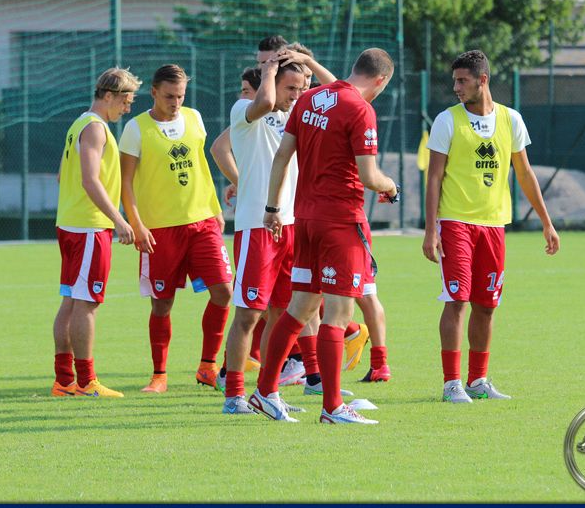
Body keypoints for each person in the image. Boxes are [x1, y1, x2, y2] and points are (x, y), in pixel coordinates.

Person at [249, 48, 399, 424]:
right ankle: (333, 407)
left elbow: (283, 156)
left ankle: (265, 392)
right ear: (381, 80)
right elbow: (369, 177)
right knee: (337, 314)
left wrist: (271, 209)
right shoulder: (360, 109)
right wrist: (391, 186)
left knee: (299, 307)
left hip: (305, 219)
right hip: (340, 222)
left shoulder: (312, 98)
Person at [422, 50, 560, 403]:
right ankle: (451, 383)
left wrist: (547, 223)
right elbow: (434, 177)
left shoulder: (511, 120)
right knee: (457, 300)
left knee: (487, 304)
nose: (456, 87)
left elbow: (525, 174)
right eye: (454, 80)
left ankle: (477, 380)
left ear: (482, 80)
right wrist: (430, 229)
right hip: (455, 223)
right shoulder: (446, 121)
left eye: (462, 80)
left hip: (494, 225)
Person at [120, 64, 233, 393]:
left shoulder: (194, 118)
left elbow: (202, 166)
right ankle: (159, 375)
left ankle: (208, 366)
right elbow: (126, 183)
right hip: (159, 230)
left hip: (202, 222)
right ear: (154, 92)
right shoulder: (136, 129)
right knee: (162, 303)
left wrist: (215, 209)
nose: (175, 102)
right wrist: (136, 224)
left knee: (224, 291)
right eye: (169, 96)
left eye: (181, 95)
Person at [219, 58, 308, 414]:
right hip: (257, 227)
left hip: (289, 226)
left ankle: (266, 391)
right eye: (291, 88)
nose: (296, 95)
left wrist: (307, 66)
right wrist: (271, 70)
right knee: (247, 315)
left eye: (301, 89)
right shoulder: (245, 109)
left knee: (281, 314)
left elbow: (347, 92)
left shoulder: (294, 115)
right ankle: (234, 396)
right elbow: (266, 103)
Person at [52, 67, 139, 398]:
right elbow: (89, 179)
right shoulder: (95, 128)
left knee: (72, 303)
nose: (128, 108)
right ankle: (87, 381)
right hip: (88, 228)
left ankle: (64, 381)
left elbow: (63, 176)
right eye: (126, 100)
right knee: (87, 304)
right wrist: (118, 218)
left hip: (73, 224)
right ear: (109, 96)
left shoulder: (80, 124)